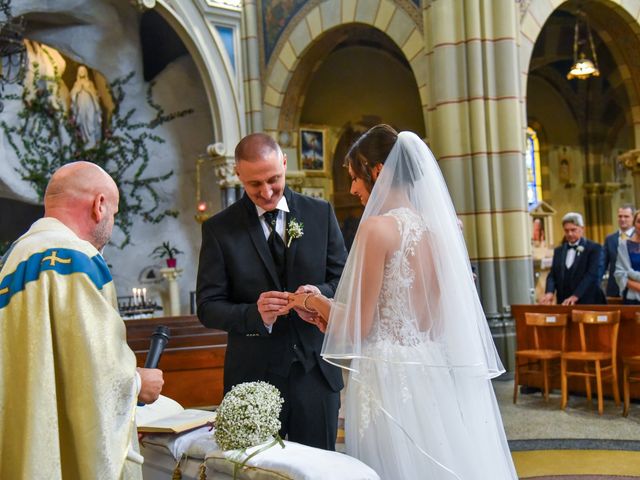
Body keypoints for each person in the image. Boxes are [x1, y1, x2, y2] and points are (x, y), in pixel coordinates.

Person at [287, 125, 517, 479]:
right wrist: (333, 316)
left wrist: (311, 300)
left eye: (354, 178)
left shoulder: (377, 229)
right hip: (431, 366)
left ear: (377, 171)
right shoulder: (443, 227)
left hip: (388, 374)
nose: (352, 189)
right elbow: (437, 320)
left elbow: (361, 328)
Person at [0, 161, 164, 479]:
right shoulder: (77, 258)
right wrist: (139, 383)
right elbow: (94, 373)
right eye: (114, 214)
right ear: (99, 204)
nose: (111, 226)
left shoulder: (10, 261)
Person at [196, 133, 347, 450]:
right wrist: (255, 314)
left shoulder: (319, 213)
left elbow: (344, 280)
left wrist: (316, 294)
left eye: (273, 180)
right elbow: (208, 306)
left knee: (319, 470)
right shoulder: (219, 229)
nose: (266, 192)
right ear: (238, 175)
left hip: (315, 373)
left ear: (285, 164)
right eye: (254, 185)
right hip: (253, 376)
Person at [540, 212, 606, 306]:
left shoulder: (594, 248)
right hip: (564, 302)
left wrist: (576, 296)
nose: (570, 234)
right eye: (566, 231)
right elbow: (553, 275)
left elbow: (592, 275)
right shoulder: (559, 251)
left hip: (588, 301)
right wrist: (549, 292)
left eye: (573, 230)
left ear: (582, 229)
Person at [601, 204, 635, 298]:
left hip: (635, 289)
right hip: (614, 289)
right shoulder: (610, 239)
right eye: (620, 216)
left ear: (633, 218)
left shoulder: (638, 237)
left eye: (626, 216)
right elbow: (602, 264)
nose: (622, 219)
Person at [70, 65, 102, 147]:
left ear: (86, 72)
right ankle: (85, 140)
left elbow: (95, 94)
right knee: (82, 119)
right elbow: (72, 95)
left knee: (90, 120)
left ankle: (92, 140)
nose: (81, 72)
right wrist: (77, 91)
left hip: (89, 103)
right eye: (80, 71)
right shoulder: (76, 84)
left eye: (83, 70)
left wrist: (88, 90)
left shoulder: (90, 83)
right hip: (80, 105)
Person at [614, 209, 640, 304]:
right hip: (632, 299)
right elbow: (620, 274)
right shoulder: (624, 245)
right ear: (634, 224)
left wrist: (631, 274)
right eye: (639, 221)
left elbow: (628, 273)